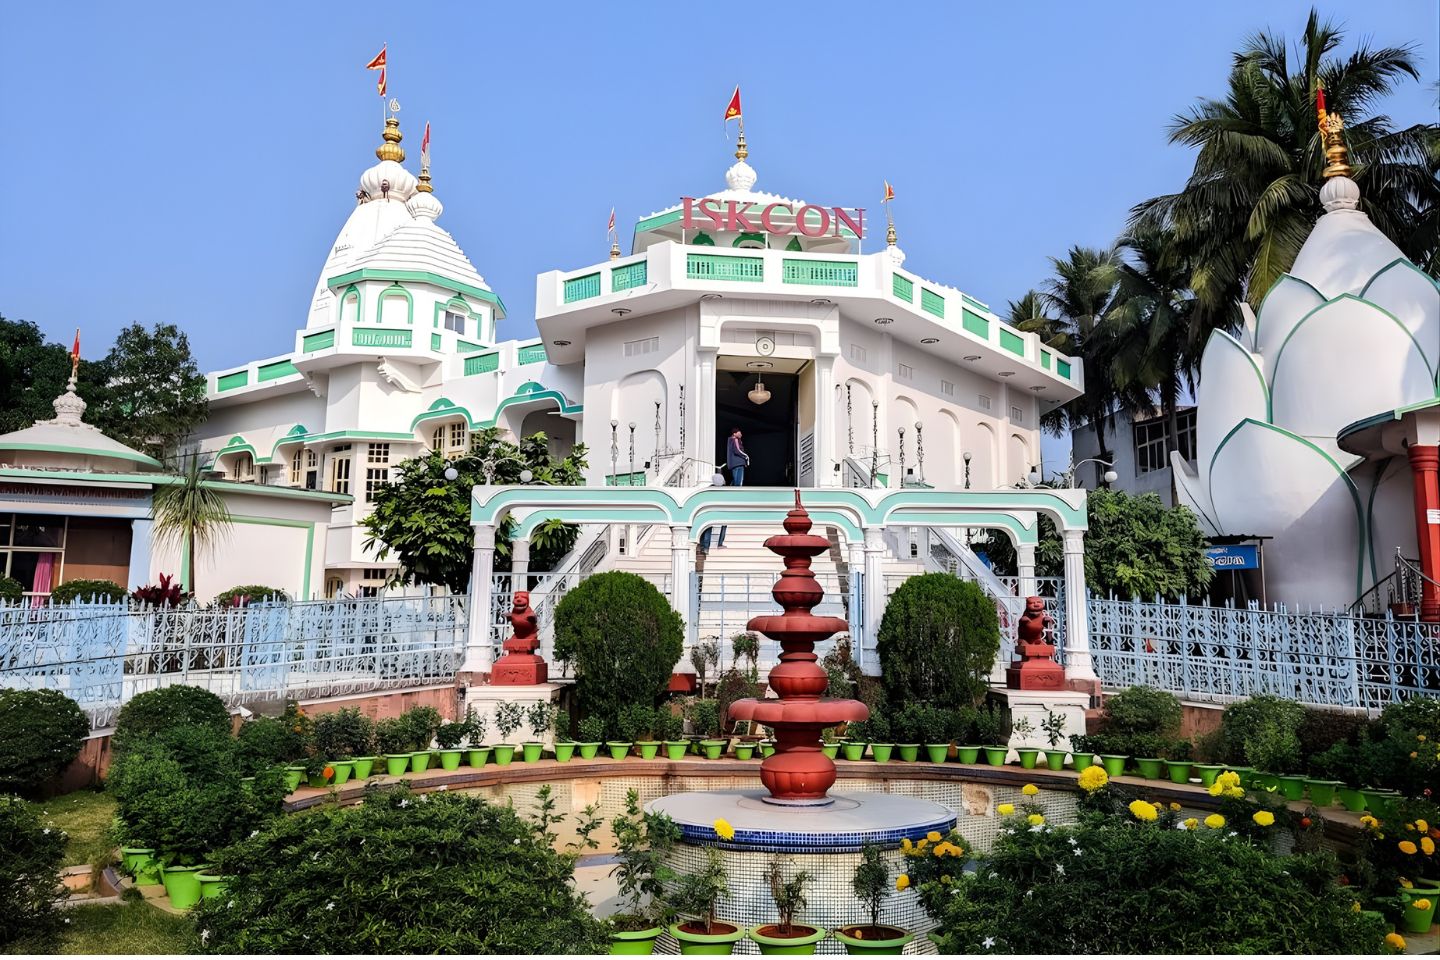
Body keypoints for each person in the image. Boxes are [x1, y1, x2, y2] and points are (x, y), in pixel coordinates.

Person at [698, 471, 727, 552]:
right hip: (721, 511)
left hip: (710, 511)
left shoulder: (709, 489)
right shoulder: (725, 490)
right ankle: (719, 544)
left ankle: (705, 546)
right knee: (724, 525)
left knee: (707, 527)